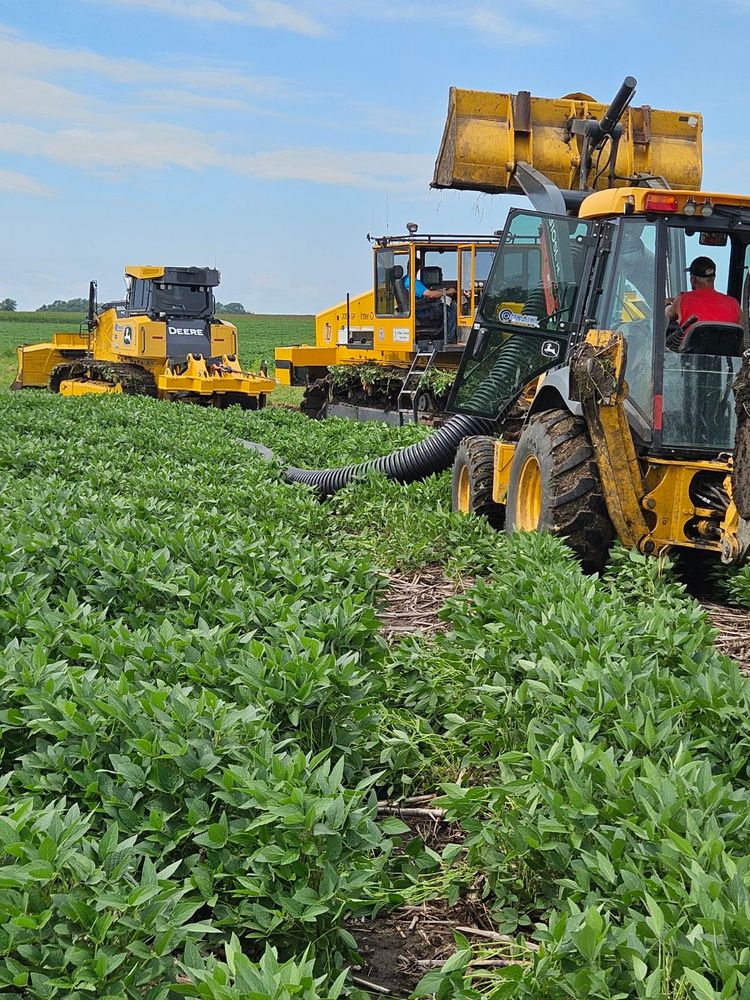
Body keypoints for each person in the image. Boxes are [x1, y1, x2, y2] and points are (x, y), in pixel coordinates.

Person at [665, 256, 741, 338]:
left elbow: (668, 315)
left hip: (691, 350)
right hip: (728, 350)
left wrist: (667, 304)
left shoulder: (682, 298)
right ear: (713, 278)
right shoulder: (734, 303)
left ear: (693, 279)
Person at [403, 268, 457, 343]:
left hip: (418, 307)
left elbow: (426, 294)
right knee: (452, 307)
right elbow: (431, 294)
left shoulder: (405, 279)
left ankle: (442, 335)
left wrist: (441, 291)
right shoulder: (412, 281)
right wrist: (447, 291)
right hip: (421, 311)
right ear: (418, 267)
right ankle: (449, 338)